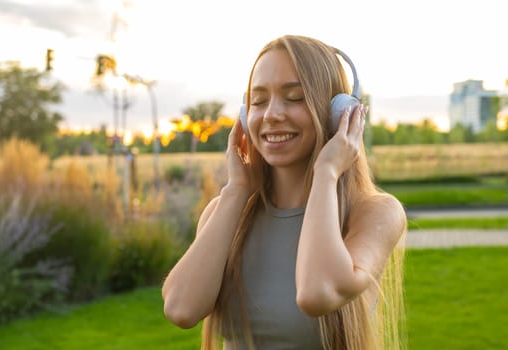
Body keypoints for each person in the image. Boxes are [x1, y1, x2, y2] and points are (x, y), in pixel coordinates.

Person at [162, 34, 407, 350]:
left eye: (294, 98)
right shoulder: (225, 212)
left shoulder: (375, 213)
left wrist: (326, 172)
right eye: (259, 101)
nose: (272, 114)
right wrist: (236, 191)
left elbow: (317, 293)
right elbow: (181, 309)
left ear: (338, 113)